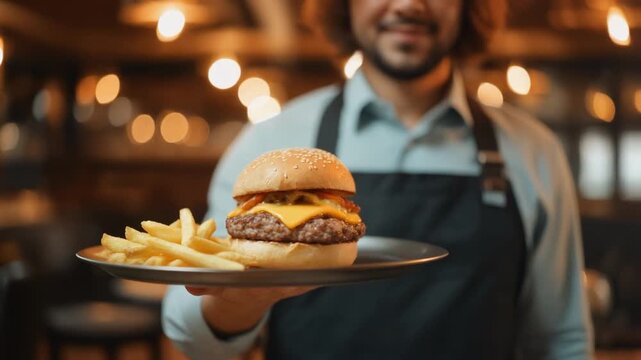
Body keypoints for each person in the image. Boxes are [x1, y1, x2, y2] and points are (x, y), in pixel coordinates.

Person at [162, 0, 594, 358]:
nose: (408, 4)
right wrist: (242, 299)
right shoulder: (274, 136)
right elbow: (192, 338)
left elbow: (562, 339)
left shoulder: (534, 151)